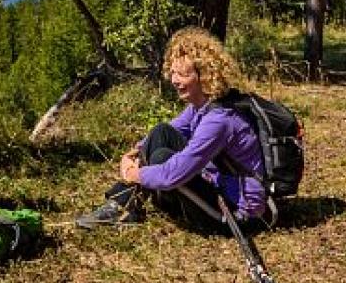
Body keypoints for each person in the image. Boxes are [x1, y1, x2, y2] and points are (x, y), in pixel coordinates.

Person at [77, 27, 267, 230]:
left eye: (183, 74)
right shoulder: (201, 106)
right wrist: (133, 153)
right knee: (161, 132)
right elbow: (167, 131)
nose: (175, 80)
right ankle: (122, 205)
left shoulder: (219, 120)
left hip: (237, 211)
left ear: (205, 76)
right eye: (173, 72)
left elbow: (172, 174)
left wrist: (134, 174)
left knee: (162, 158)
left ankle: (122, 206)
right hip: (219, 184)